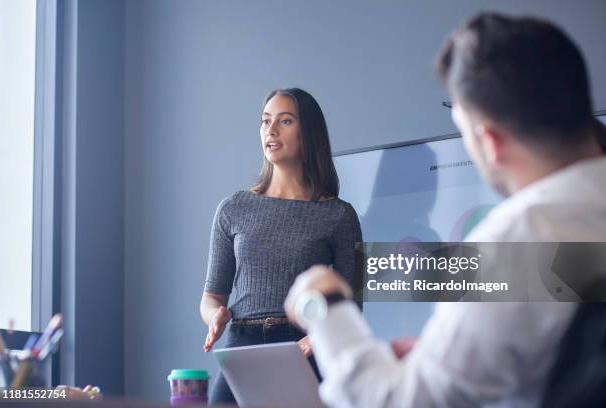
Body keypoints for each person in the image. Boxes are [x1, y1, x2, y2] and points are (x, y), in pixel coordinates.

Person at [285, 12, 606, 407]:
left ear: (489, 141)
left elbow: (395, 402)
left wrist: (324, 304)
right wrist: (454, 357)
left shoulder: (520, 237)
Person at [200, 88, 363, 404]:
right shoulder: (232, 208)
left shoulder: (340, 215)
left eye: (285, 121)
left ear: (308, 132)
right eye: (265, 121)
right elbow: (211, 297)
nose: (271, 131)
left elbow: (353, 302)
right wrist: (215, 316)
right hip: (241, 344)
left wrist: (317, 337)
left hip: (302, 346)